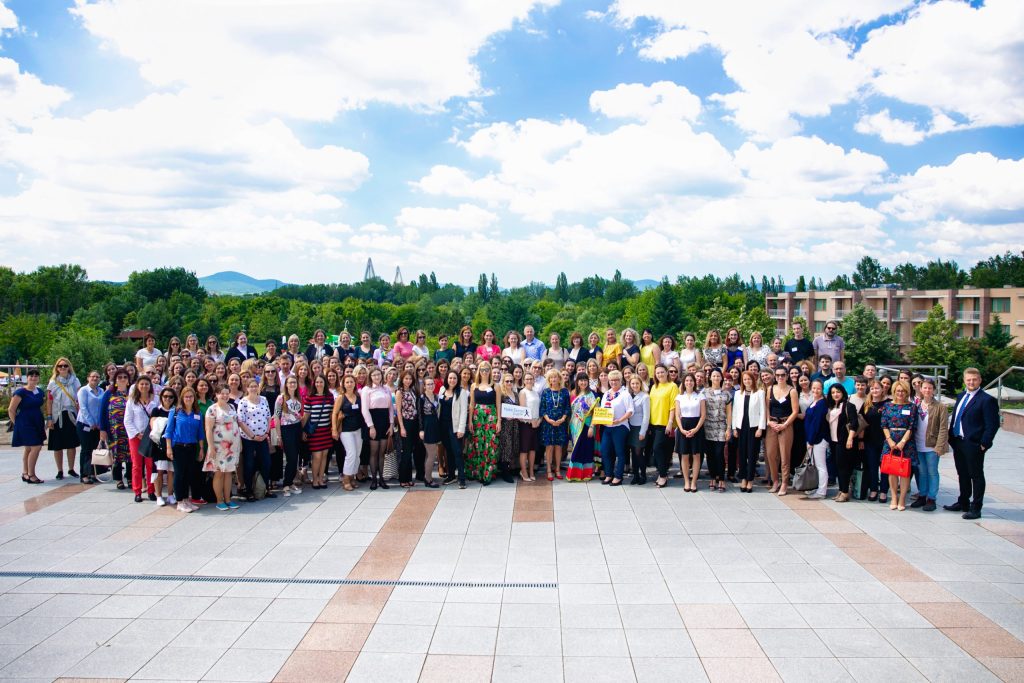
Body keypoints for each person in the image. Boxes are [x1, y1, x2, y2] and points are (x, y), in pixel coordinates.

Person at [944, 368, 1000, 519]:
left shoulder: (987, 400)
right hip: (958, 441)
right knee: (962, 474)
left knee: (976, 476)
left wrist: (984, 443)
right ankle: (963, 502)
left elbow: (992, 424)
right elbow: (956, 417)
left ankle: (976, 508)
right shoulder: (961, 396)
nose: (971, 382)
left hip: (974, 444)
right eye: (968, 379)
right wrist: (951, 437)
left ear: (980, 380)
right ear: (964, 380)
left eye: (974, 379)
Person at [911, 378, 948, 512]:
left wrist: (939, 446)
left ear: (934, 390)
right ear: (921, 389)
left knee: (932, 472)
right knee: (922, 472)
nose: (927, 390)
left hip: (932, 445)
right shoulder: (916, 406)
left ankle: (931, 498)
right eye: (925, 388)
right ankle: (922, 495)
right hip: (918, 444)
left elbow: (943, 428)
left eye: (930, 388)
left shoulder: (940, 407)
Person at [165, 386, 204, 513]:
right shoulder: (175, 412)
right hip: (178, 446)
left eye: (191, 396)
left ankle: (186, 499)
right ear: (182, 398)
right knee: (179, 474)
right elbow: (169, 431)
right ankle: (180, 501)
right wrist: (169, 448)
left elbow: (200, 433)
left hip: (192, 447)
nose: (188, 399)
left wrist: (201, 449)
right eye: (186, 396)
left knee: (189, 474)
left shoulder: (197, 413)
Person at [882, 380, 917, 511]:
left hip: (906, 442)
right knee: (892, 470)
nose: (900, 393)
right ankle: (893, 497)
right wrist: (889, 440)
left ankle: (902, 498)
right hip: (890, 440)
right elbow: (884, 424)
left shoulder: (912, 407)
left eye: (903, 391)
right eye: (898, 391)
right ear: (894, 392)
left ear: (907, 392)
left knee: (904, 471)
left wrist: (903, 441)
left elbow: (912, 426)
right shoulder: (887, 405)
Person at [205, 386, 242, 511]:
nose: (225, 396)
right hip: (219, 446)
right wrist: (211, 447)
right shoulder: (212, 409)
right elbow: (208, 429)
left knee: (229, 472)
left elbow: (236, 424)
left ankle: (228, 499)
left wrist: (239, 443)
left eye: (227, 393)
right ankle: (219, 500)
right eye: (222, 393)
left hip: (232, 446)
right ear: (216, 394)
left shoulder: (231, 407)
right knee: (219, 472)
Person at [238, 379, 274, 501]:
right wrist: (253, 436)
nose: (253, 388)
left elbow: (268, 417)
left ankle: (265, 488)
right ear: (247, 388)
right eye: (251, 386)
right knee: (249, 464)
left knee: (266, 462)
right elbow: (241, 421)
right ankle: (249, 491)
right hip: (248, 438)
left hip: (263, 437)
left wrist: (266, 433)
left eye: (255, 386)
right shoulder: (243, 402)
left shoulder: (263, 399)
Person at [46, 358, 82, 480]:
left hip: (71, 414)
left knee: (71, 444)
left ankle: (71, 469)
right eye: (60, 366)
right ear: (56, 368)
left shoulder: (75, 381)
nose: (62, 368)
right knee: (58, 445)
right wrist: (49, 418)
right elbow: (49, 401)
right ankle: (59, 470)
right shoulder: (53, 382)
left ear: (69, 367)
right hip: (57, 415)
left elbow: (80, 397)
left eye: (65, 366)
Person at [765, 366, 798, 496]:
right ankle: (775, 481)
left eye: (783, 375)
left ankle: (784, 483)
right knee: (771, 454)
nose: (780, 377)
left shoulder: (792, 391)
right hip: (772, 425)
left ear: (787, 376)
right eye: (778, 375)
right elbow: (767, 407)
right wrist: (768, 421)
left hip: (786, 425)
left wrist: (785, 425)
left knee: (785, 456)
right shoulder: (770, 389)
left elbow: (795, 411)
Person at [10, 368, 47, 484]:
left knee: (28, 448)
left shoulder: (39, 391)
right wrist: (17, 424)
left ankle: (25, 473)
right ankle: (31, 475)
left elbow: (42, 406)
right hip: (25, 422)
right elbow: (11, 409)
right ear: (27, 378)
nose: (33, 378)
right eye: (31, 375)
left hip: (37, 421)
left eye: (36, 376)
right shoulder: (20, 392)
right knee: (36, 447)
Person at [467, 361, 501, 484]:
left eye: (487, 369)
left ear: (490, 371)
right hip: (477, 418)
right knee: (478, 444)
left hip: (491, 417)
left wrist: (499, 421)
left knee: (490, 445)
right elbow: (472, 404)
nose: (485, 372)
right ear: (479, 371)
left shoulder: (495, 386)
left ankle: (488, 474)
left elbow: (498, 405)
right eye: (482, 369)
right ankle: (478, 473)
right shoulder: (474, 386)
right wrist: (470, 421)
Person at [125, 376, 158, 503]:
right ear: (137, 386)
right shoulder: (132, 401)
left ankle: (151, 490)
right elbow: (127, 420)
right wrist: (136, 433)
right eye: (142, 384)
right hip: (136, 437)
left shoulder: (155, 400)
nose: (144, 386)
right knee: (137, 465)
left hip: (150, 437)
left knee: (150, 465)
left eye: (146, 384)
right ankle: (137, 491)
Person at [732, 370, 765, 494]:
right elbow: (735, 411)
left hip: (753, 427)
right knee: (742, 454)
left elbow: (763, 411)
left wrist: (760, 428)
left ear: (753, 380)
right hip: (741, 427)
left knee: (752, 454)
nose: (747, 381)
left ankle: (750, 480)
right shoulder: (738, 393)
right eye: (745, 379)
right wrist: (734, 428)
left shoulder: (759, 393)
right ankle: (743, 479)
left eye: (749, 379)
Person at [826, 383, 859, 503]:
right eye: (833, 392)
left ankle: (845, 492)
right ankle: (841, 490)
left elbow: (854, 423)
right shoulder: (831, 406)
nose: (835, 394)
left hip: (844, 441)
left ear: (843, 393)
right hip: (834, 441)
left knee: (843, 467)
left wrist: (850, 439)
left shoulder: (848, 406)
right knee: (838, 466)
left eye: (838, 392)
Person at [332, 375, 365, 491]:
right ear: (344, 384)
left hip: (358, 429)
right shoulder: (341, 397)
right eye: (347, 382)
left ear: (355, 383)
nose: (350, 384)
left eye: (351, 382)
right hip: (346, 430)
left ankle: (352, 477)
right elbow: (334, 413)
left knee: (357, 454)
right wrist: (334, 429)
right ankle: (346, 478)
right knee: (351, 453)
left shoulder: (358, 396)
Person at [673, 373, 705, 492]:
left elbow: (703, 415)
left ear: (694, 382)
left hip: (697, 427)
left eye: (691, 380)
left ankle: (694, 482)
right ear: (684, 382)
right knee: (684, 455)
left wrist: (696, 429)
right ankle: (686, 481)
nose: (689, 382)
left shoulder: (700, 396)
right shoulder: (679, 397)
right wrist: (681, 429)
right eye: (686, 380)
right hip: (684, 427)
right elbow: (677, 415)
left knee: (696, 455)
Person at [649, 365, 679, 488]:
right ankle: (662, 472)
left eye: (662, 372)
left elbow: (673, 406)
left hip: (665, 423)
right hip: (653, 423)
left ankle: (663, 476)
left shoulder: (672, 386)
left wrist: (670, 422)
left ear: (667, 373)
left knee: (657, 448)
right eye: (657, 373)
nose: (660, 374)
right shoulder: (654, 387)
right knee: (660, 451)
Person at [860, 379, 889, 504]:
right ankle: (873, 489)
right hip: (870, 441)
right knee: (872, 467)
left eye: (877, 388)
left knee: (884, 467)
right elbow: (862, 423)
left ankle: (883, 491)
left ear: (882, 389)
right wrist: (861, 440)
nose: (875, 390)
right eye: (872, 388)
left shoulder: (888, 403)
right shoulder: (866, 404)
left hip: (885, 441)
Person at [303, 375, 334, 490]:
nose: (319, 384)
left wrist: (333, 428)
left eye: (321, 382)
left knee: (324, 456)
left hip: (326, 431)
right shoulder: (310, 397)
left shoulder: (330, 396)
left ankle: (321, 478)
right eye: (317, 382)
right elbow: (306, 415)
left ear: (325, 383)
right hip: (315, 432)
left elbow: (331, 414)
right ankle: (315, 479)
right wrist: (303, 430)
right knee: (317, 456)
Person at [703, 368, 731, 492]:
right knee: (710, 454)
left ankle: (721, 479)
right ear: (710, 378)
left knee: (719, 453)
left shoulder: (727, 394)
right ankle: (712, 477)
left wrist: (729, 428)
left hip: (721, 426)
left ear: (721, 378)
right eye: (713, 376)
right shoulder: (704, 392)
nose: (716, 378)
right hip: (707, 426)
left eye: (718, 376)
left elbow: (729, 413)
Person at [275, 375, 304, 496]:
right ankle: (286, 485)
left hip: (297, 428)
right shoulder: (281, 398)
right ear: (286, 384)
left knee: (295, 458)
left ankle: (290, 482)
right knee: (291, 458)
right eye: (290, 382)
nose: (292, 384)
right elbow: (276, 416)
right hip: (286, 429)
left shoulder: (298, 397)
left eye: (294, 382)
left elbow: (300, 414)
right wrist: (278, 435)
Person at [438, 370, 468, 488]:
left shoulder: (461, 392)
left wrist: (461, 429)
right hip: (443, 426)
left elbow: (464, 411)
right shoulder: (442, 390)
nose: (452, 380)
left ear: (458, 379)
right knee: (448, 451)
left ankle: (461, 478)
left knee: (457, 452)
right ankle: (451, 475)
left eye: (454, 378)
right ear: (447, 379)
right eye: (450, 378)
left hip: (454, 426)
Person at [565, 373, 597, 481]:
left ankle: (585, 474)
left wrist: (592, 427)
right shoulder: (573, 394)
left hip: (587, 426)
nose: (583, 382)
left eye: (585, 380)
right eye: (581, 380)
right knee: (576, 449)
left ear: (588, 381)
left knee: (586, 450)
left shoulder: (592, 394)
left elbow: (596, 412)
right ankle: (575, 474)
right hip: (575, 426)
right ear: (577, 382)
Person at [541, 370, 570, 480]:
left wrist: (562, 419)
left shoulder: (564, 392)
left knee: (558, 447)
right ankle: (549, 469)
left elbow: (567, 408)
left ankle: (557, 469)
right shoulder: (546, 392)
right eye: (551, 377)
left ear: (559, 379)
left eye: (555, 377)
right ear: (549, 380)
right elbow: (542, 408)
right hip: (548, 424)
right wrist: (548, 420)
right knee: (549, 447)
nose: (553, 379)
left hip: (561, 424)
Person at [802, 380, 829, 500]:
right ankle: (816, 487)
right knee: (814, 465)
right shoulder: (815, 401)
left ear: (822, 389)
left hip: (818, 439)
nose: (815, 391)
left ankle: (822, 491)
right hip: (811, 438)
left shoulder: (822, 403)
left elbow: (816, 424)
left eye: (818, 388)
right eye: (813, 388)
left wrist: (811, 441)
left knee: (820, 466)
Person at [75, 370, 104, 484]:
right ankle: (84, 474)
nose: (95, 379)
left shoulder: (101, 391)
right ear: (88, 378)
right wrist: (91, 423)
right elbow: (83, 408)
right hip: (85, 424)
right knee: (86, 449)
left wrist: (99, 423)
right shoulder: (83, 390)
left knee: (95, 449)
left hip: (97, 426)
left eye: (97, 377)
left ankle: (93, 473)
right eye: (93, 376)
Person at [395, 370, 421, 488]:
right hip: (406, 422)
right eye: (406, 378)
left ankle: (409, 478)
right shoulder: (399, 392)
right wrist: (402, 427)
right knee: (406, 451)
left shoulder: (413, 390)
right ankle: (403, 479)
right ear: (402, 379)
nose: (408, 381)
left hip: (414, 422)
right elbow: (398, 411)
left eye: (410, 379)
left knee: (410, 451)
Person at [417, 377, 441, 488]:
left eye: (432, 384)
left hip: (435, 426)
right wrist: (421, 429)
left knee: (429, 455)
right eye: (428, 384)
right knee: (432, 455)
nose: (431, 386)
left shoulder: (436, 396)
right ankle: (428, 479)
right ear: (424, 386)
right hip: (427, 426)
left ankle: (428, 476)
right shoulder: (422, 398)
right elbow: (420, 415)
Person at [497, 373, 520, 484]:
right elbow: (498, 408)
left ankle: (511, 468)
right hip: (505, 424)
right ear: (503, 382)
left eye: (511, 381)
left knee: (513, 445)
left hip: (515, 424)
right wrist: (503, 416)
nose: (509, 383)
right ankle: (504, 472)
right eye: (507, 381)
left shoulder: (515, 394)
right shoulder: (501, 394)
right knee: (506, 446)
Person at [627, 375, 650, 485]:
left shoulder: (645, 397)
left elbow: (646, 416)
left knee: (639, 452)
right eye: (633, 383)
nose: (635, 385)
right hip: (630, 427)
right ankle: (635, 475)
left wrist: (642, 432)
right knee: (633, 452)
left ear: (640, 384)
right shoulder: (628, 396)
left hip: (640, 427)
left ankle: (643, 475)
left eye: (637, 383)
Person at [518, 370, 541, 482]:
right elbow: (523, 410)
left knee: (533, 449)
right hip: (526, 424)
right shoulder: (523, 392)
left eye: (531, 379)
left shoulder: (535, 392)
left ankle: (531, 470)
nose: (529, 381)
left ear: (534, 380)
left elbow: (538, 409)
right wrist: (531, 421)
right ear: (524, 381)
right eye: (527, 379)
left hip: (536, 424)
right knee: (524, 449)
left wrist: (539, 421)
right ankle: (523, 471)